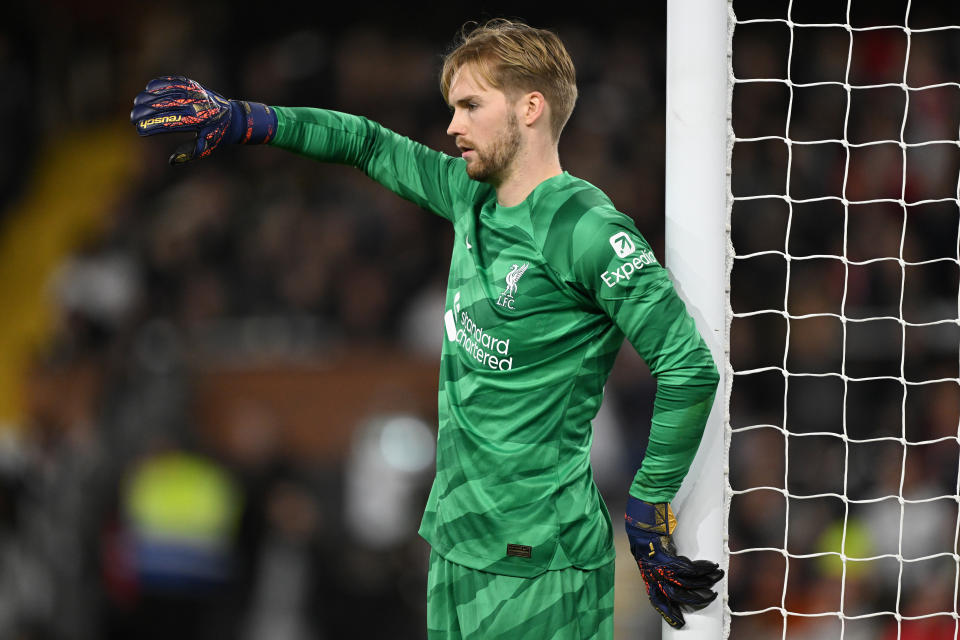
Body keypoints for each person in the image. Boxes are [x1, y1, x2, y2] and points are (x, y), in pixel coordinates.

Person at [130, 18, 723, 639]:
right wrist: (246, 119)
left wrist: (649, 509)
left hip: (539, 560)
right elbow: (365, 143)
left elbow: (688, 367)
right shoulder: (470, 199)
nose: (453, 126)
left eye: (470, 106)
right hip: (456, 541)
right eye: (452, 108)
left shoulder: (589, 230)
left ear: (530, 108)